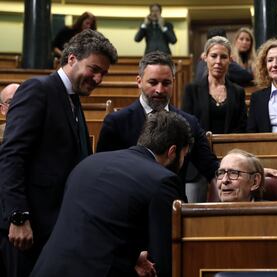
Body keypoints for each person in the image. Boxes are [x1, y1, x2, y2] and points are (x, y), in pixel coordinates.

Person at [0, 29, 117, 277]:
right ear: (72, 58)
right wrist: (18, 217)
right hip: (27, 229)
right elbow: (12, 156)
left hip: (54, 228)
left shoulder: (73, 99)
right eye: (94, 69)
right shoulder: (38, 89)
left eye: (103, 74)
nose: (98, 79)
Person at [30, 111, 193, 277]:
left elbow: (94, 230)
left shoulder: (88, 163)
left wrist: (133, 257)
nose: (182, 161)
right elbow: (165, 258)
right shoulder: (162, 180)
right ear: (173, 151)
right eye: (183, 155)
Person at [97, 51, 219, 201]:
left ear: (173, 81)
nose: (160, 90)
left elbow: (211, 168)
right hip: (129, 210)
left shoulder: (189, 122)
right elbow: (104, 173)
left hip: (174, 209)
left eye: (166, 83)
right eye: (153, 82)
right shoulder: (116, 122)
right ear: (139, 81)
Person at [182, 36, 247, 134]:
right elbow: (186, 125)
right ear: (205, 57)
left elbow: (242, 126)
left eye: (223, 57)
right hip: (199, 147)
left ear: (230, 60)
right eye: (213, 56)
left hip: (232, 147)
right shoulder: (191, 90)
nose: (218, 62)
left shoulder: (238, 92)